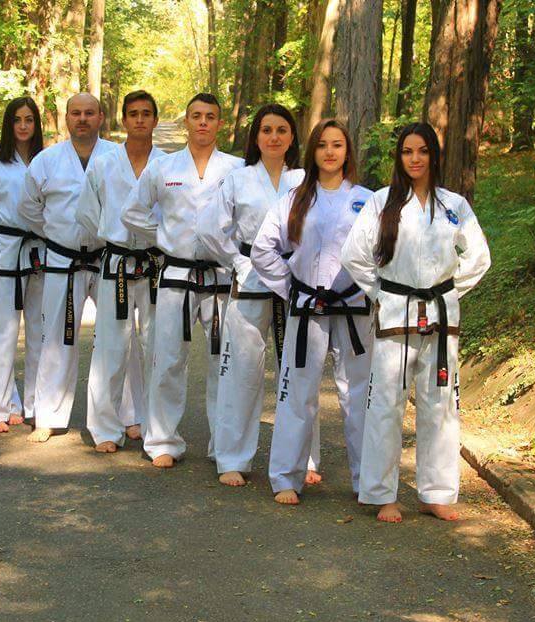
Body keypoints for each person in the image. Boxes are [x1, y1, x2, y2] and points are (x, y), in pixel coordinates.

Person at [341, 122, 491, 523]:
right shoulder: (381, 202)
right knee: (385, 406)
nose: (415, 159)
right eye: (407, 151)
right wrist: (380, 293)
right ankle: (381, 494)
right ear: (399, 157)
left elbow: (478, 257)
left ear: (434, 156)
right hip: (395, 313)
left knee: (440, 405)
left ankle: (435, 493)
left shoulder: (454, 205)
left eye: (422, 151)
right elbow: (354, 255)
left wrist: (449, 292)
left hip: (439, 315)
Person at [251, 119, 374, 505]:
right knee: (297, 391)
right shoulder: (294, 199)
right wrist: (291, 287)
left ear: (347, 151)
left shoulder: (368, 200)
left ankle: (369, 482)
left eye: (337, 144)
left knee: (359, 394)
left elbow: (384, 252)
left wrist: (371, 287)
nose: (330, 152)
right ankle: (286, 476)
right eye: (322, 145)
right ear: (312, 151)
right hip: (307, 306)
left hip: (354, 306)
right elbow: (262, 249)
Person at [123, 93, 243, 468]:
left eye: (210, 116)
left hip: (221, 275)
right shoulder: (164, 167)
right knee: (168, 359)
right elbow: (132, 212)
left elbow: (248, 219)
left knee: (224, 361)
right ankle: (162, 440)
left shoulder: (237, 169)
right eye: (196, 116)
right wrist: (163, 238)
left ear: (220, 123)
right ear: (186, 121)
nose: (203, 122)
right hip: (176, 274)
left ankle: (225, 446)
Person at [197, 104, 314, 487]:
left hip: (296, 279)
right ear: (256, 137)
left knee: (299, 369)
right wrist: (237, 261)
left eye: (282, 130)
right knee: (242, 372)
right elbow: (210, 228)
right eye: (266, 130)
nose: (274, 137)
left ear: (292, 137)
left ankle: (305, 459)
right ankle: (233, 457)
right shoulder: (239, 179)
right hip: (249, 278)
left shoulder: (305, 179)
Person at [18, 93, 121, 442]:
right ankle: (48, 416)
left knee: (118, 338)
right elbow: (28, 207)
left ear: (100, 117)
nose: (82, 119)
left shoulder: (117, 157)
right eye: (76, 113)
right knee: (54, 340)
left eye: (89, 113)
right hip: (62, 258)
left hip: (106, 258)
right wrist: (55, 234)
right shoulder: (47, 161)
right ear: (66, 118)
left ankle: (127, 416)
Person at [77, 90, 165, 453]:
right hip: (116, 262)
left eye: (146, 113)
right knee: (110, 349)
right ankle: (105, 429)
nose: (140, 119)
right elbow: (87, 212)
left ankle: (156, 427)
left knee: (158, 348)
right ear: (124, 120)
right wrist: (111, 236)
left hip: (157, 264)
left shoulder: (168, 164)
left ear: (155, 119)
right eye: (133, 113)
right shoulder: (104, 164)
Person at [0, 97, 45, 433]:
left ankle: (36, 405)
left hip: (40, 251)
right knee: (2, 332)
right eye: (17, 120)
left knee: (39, 331)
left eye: (29, 120)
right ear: (8, 124)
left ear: (37, 124)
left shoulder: (47, 161)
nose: (23, 126)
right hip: (6, 250)